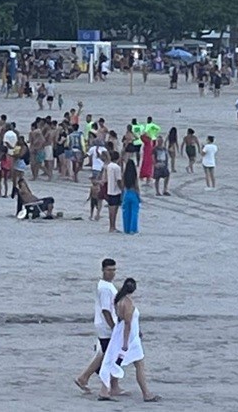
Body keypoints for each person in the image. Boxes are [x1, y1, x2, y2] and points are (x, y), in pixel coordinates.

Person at [97, 279, 159, 402]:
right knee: (139, 364)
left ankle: (105, 390)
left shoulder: (118, 300)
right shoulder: (127, 302)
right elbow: (128, 324)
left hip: (120, 334)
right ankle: (146, 393)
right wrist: (125, 343)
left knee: (112, 361)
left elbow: (122, 320)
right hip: (130, 338)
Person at [74, 258, 119, 395]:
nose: (111, 273)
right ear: (103, 271)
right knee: (108, 354)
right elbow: (106, 310)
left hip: (105, 324)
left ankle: (113, 385)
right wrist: (113, 326)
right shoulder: (105, 288)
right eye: (109, 270)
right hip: (106, 326)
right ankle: (83, 377)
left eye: (113, 270)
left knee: (105, 353)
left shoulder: (107, 285)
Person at [121, 157, 141, 235]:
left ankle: (126, 229)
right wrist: (138, 195)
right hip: (133, 194)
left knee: (126, 212)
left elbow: (122, 186)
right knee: (134, 213)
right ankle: (133, 229)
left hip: (126, 193)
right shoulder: (134, 176)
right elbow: (136, 186)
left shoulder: (124, 175)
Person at [105, 151, 123, 233]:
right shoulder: (117, 168)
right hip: (116, 190)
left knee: (110, 209)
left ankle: (111, 226)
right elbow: (119, 180)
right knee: (114, 210)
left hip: (109, 189)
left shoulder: (108, 166)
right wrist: (122, 189)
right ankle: (113, 226)